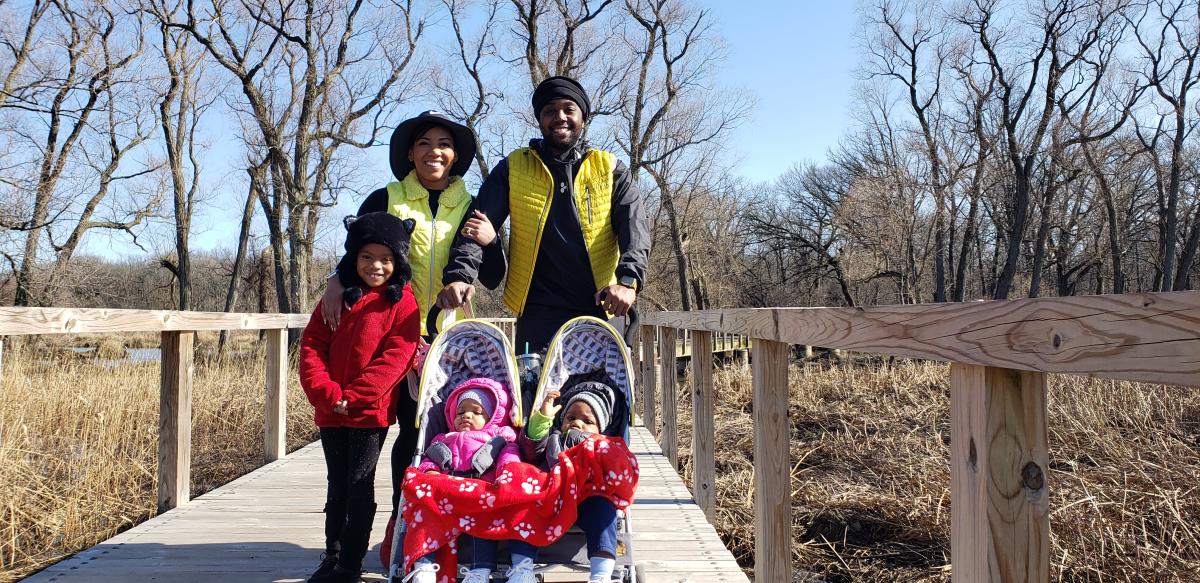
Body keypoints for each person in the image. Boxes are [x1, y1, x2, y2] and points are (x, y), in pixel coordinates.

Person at [317, 110, 506, 558]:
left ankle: (415, 534)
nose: (433, 152)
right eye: (423, 143)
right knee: (377, 444)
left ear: (456, 155)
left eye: (443, 144)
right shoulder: (386, 197)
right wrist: (332, 279)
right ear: (409, 153)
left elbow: (495, 277)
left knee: (425, 440)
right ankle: (362, 543)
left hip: (449, 347)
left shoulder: (474, 205)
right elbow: (355, 255)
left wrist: (493, 238)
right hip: (385, 340)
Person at [437, 76, 650, 355]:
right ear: (540, 120)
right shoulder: (513, 167)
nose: (559, 117)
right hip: (537, 314)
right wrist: (460, 276)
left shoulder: (610, 169)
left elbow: (635, 228)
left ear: (583, 118)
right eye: (549, 111)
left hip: (599, 307)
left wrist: (628, 282)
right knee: (536, 396)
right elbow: (476, 226)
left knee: (595, 396)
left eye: (568, 109)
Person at [299, 212, 422, 583]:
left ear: (398, 261)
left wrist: (354, 396)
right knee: (336, 485)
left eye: (386, 259)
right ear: (353, 257)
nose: (376, 266)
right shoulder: (336, 299)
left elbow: (397, 356)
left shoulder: (402, 304)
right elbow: (312, 347)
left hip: (369, 411)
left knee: (358, 484)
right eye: (366, 257)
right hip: (330, 410)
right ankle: (331, 555)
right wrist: (327, 393)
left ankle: (351, 564)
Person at [405, 378, 523, 583]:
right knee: (424, 510)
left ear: (492, 416)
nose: (466, 416)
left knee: (484, 518)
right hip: (446, 492)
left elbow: (509, 456)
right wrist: (429, 472)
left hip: (481, 490)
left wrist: (506, 473)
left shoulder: (498, 437)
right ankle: (424, 567)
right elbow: (429, 459)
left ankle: (480, 570)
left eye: (477, 412)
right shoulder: (443, 438)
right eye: (460, 412)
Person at [515, 381, 626, 583]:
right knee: (525, 507)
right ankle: (521, 569)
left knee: (603, 510)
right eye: (571, 417)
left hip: (586, 497)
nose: (577, 423)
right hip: (551, 495)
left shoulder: (602, 444)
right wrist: (543, 418)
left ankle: (601, 574)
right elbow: (531, 449)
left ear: (601, 428)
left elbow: (617, 471)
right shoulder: (553, 437)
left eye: (587, 421)